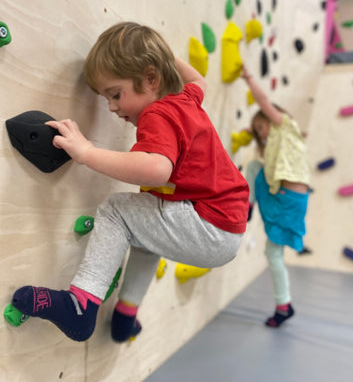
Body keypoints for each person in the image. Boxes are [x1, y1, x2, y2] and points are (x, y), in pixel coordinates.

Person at [11, 22, 249, 342]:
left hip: (208, 224)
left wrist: (87, 152)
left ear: (150, 79)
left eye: (115, 94)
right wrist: (160, 52)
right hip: (225, 227)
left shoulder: (158, 113)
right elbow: (198, 79)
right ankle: (125, 314)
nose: (111, 107)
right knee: (144, 233)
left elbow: (156, 169)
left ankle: (80, 305)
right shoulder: (186, 99)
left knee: (116, 210)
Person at [242, 65, 311, 328]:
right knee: (273, 254)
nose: (261, 133)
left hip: (286, 199)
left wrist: (249, 78)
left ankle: (284, 305)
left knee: (273, 255)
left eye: (262, 126)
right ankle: (283, 304)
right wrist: (251, 132)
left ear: (274, 118)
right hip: (285, 196)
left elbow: (263, 101)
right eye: (258, 130)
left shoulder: (285, 127)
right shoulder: (275, 145)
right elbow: (263, 153)